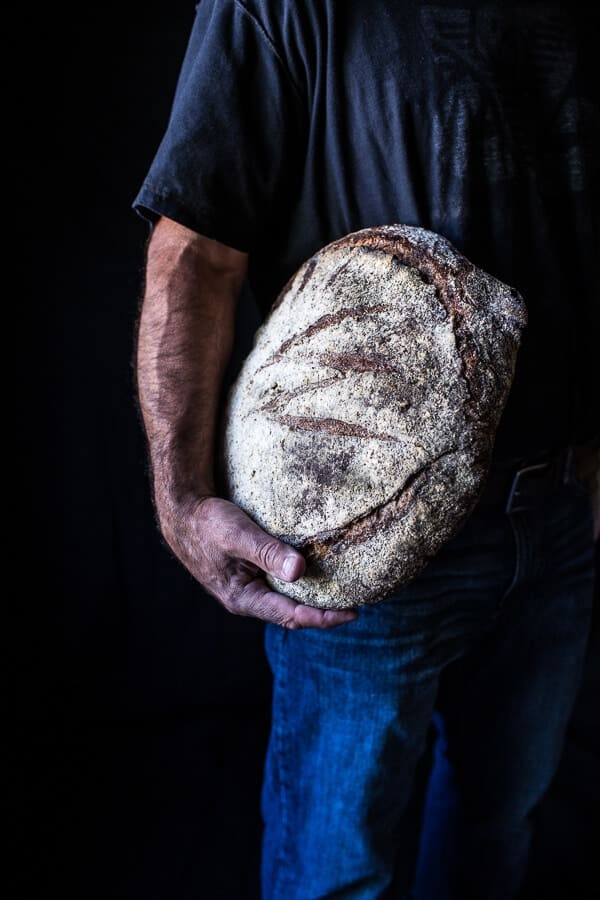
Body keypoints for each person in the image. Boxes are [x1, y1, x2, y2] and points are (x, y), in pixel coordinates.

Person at [133, 2, 599, 897]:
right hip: (356, 545)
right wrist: (181, 497)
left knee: (496, 833)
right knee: (334, 874)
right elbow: (197, 248)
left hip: (556, 516)